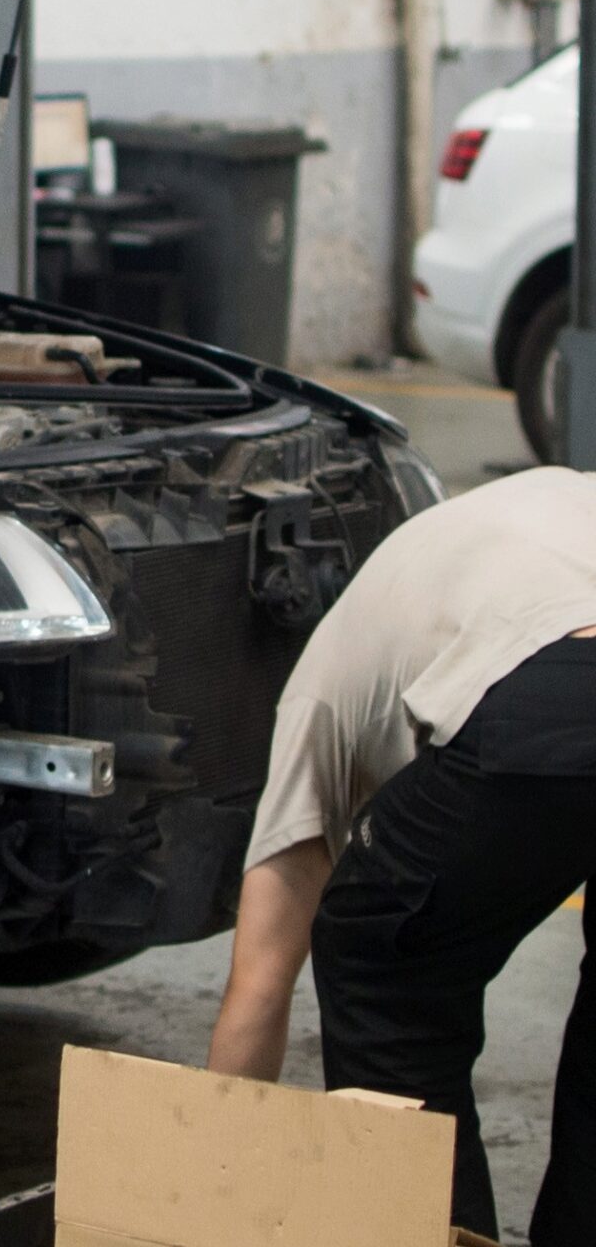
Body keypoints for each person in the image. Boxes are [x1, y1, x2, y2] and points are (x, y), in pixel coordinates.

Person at [206, 465, 596, 1246]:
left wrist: (206, 1192)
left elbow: (260, 982)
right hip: (563, 665)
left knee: (375, 960)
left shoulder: (319, 693)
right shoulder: (540, 499)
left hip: (558, 685)